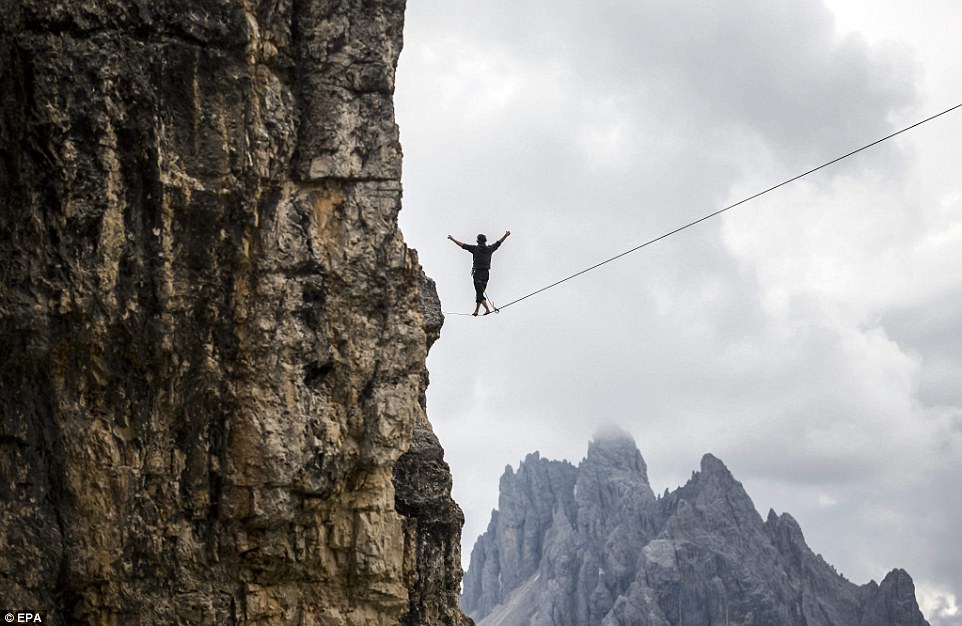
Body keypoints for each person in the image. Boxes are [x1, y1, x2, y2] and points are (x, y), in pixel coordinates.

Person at [447, 230, 511, 316]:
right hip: (486, 274)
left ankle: (484, 309)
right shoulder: (490, 249)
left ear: (478, 241)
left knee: (479, 293)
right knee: (480, 293)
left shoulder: (475, 249)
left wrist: (452, 239)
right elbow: (498, 243)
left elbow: (462, 245)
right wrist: (505, 235)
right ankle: (478, 310)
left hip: (478, 273)